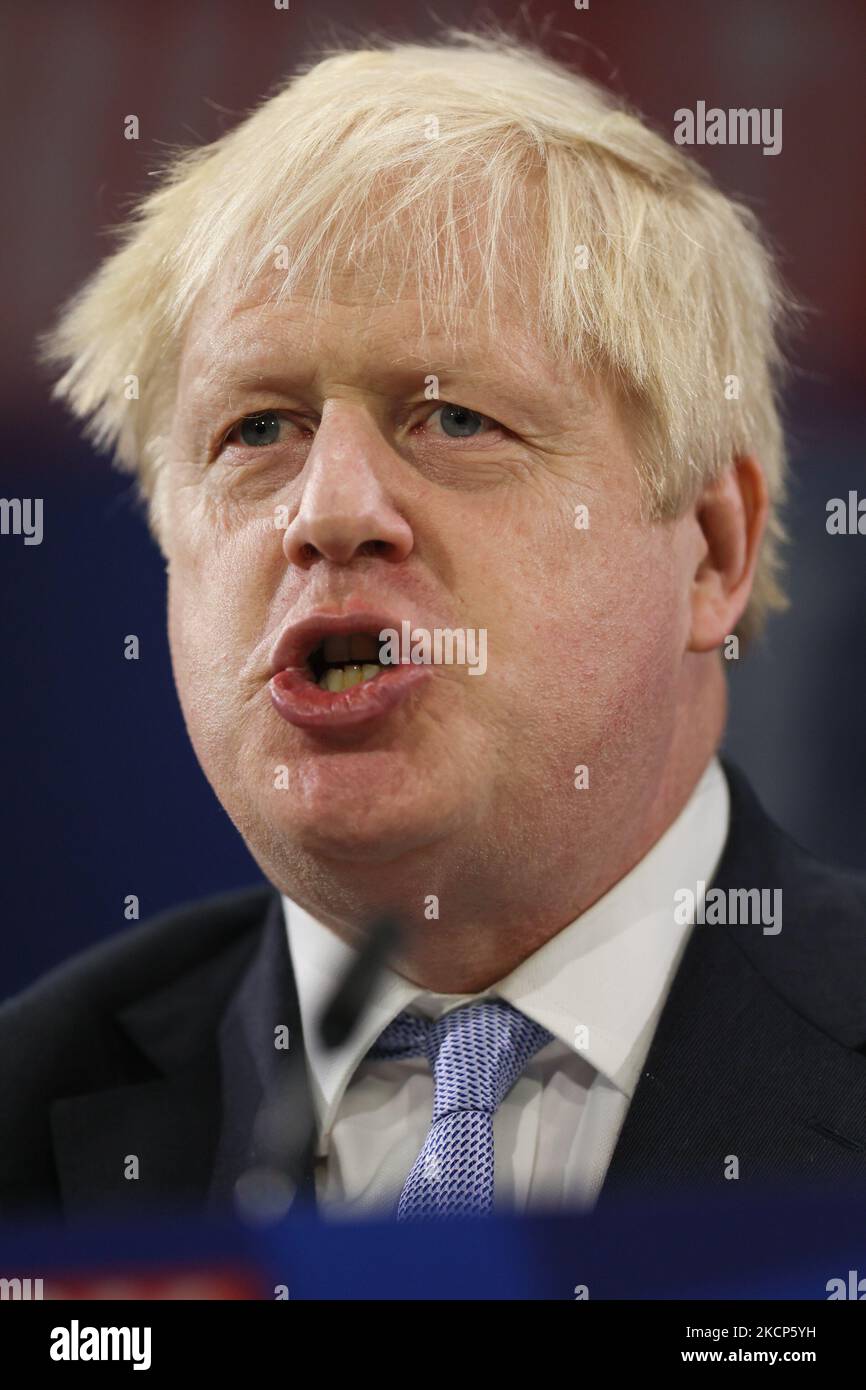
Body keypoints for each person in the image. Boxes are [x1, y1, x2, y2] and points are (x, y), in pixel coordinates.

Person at [3, 31, 865, 1226]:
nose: (330, 511)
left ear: (708, 550)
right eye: (256, 430)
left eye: (454, 417)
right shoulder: (25, 1122)